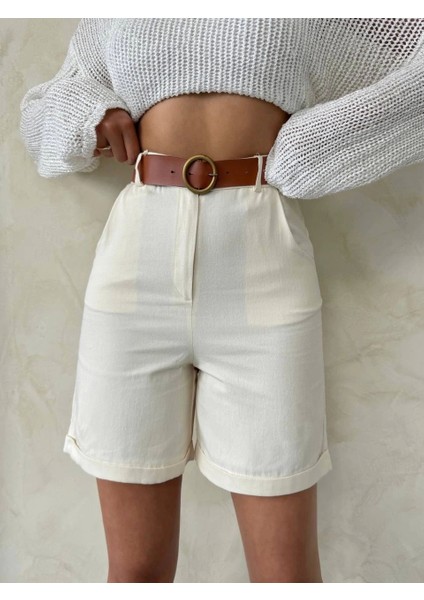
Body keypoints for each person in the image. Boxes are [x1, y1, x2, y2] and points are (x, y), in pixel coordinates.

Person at [20, 18, 424, 583]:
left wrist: (320, 147)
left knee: (286, 577)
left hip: (262, 267)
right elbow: (39, 112)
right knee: (135, 573)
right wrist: (86, 113)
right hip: (136, 270)